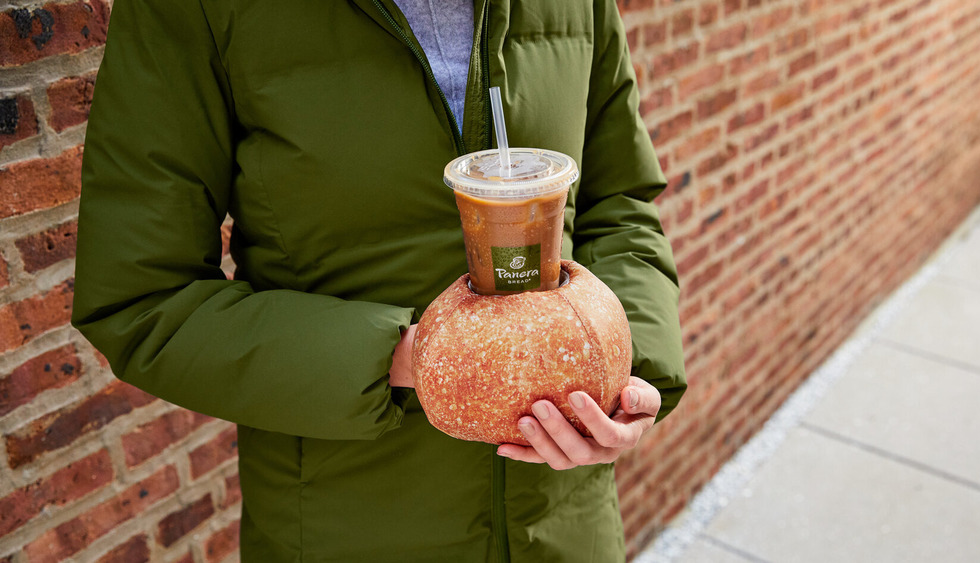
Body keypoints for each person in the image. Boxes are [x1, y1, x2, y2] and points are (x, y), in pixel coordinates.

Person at [72, 0, 687, 561]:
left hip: (566, 525)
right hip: (345, 524)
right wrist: (406, 359)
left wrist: (629, 374)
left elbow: (619, 201)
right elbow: (144, 300)